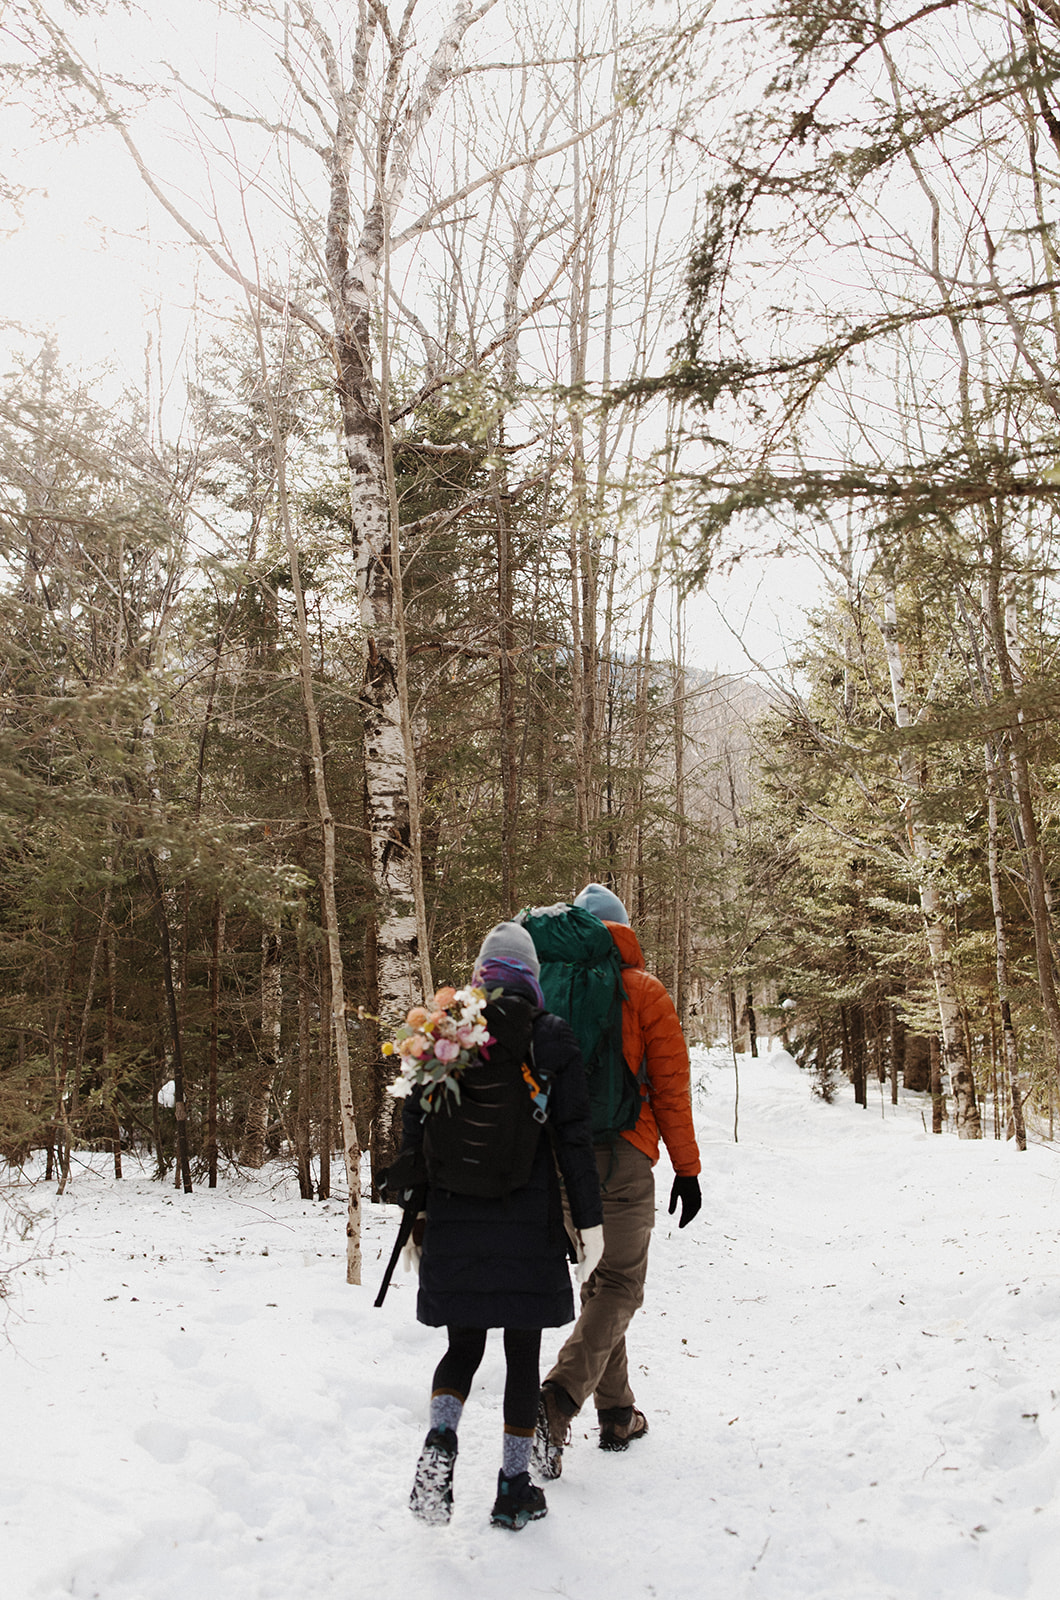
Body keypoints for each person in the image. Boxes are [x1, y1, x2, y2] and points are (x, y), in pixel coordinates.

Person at [400, 920, 603, 1531]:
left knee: (461, 1347)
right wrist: (589, 1226)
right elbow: (574, 1141)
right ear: (532, 979)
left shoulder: (447, 1036)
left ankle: (440, 1443)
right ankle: (513, 1486)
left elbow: (414, 1129)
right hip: (527, 1222)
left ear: (481, 978)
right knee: (521, 1353)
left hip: (456, 1220)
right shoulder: (551, 1039)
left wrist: (416, 1213)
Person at [524, 883, 702, 1477]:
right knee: (621, 1284)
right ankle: (557, 1400)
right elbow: (671, 1088)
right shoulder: (644, 992)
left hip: (558, 1156)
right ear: (623, 933)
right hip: (623, 1154)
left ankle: (618, 1412)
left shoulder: (544, 986)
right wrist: (687, 1168)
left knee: (599, 1282)